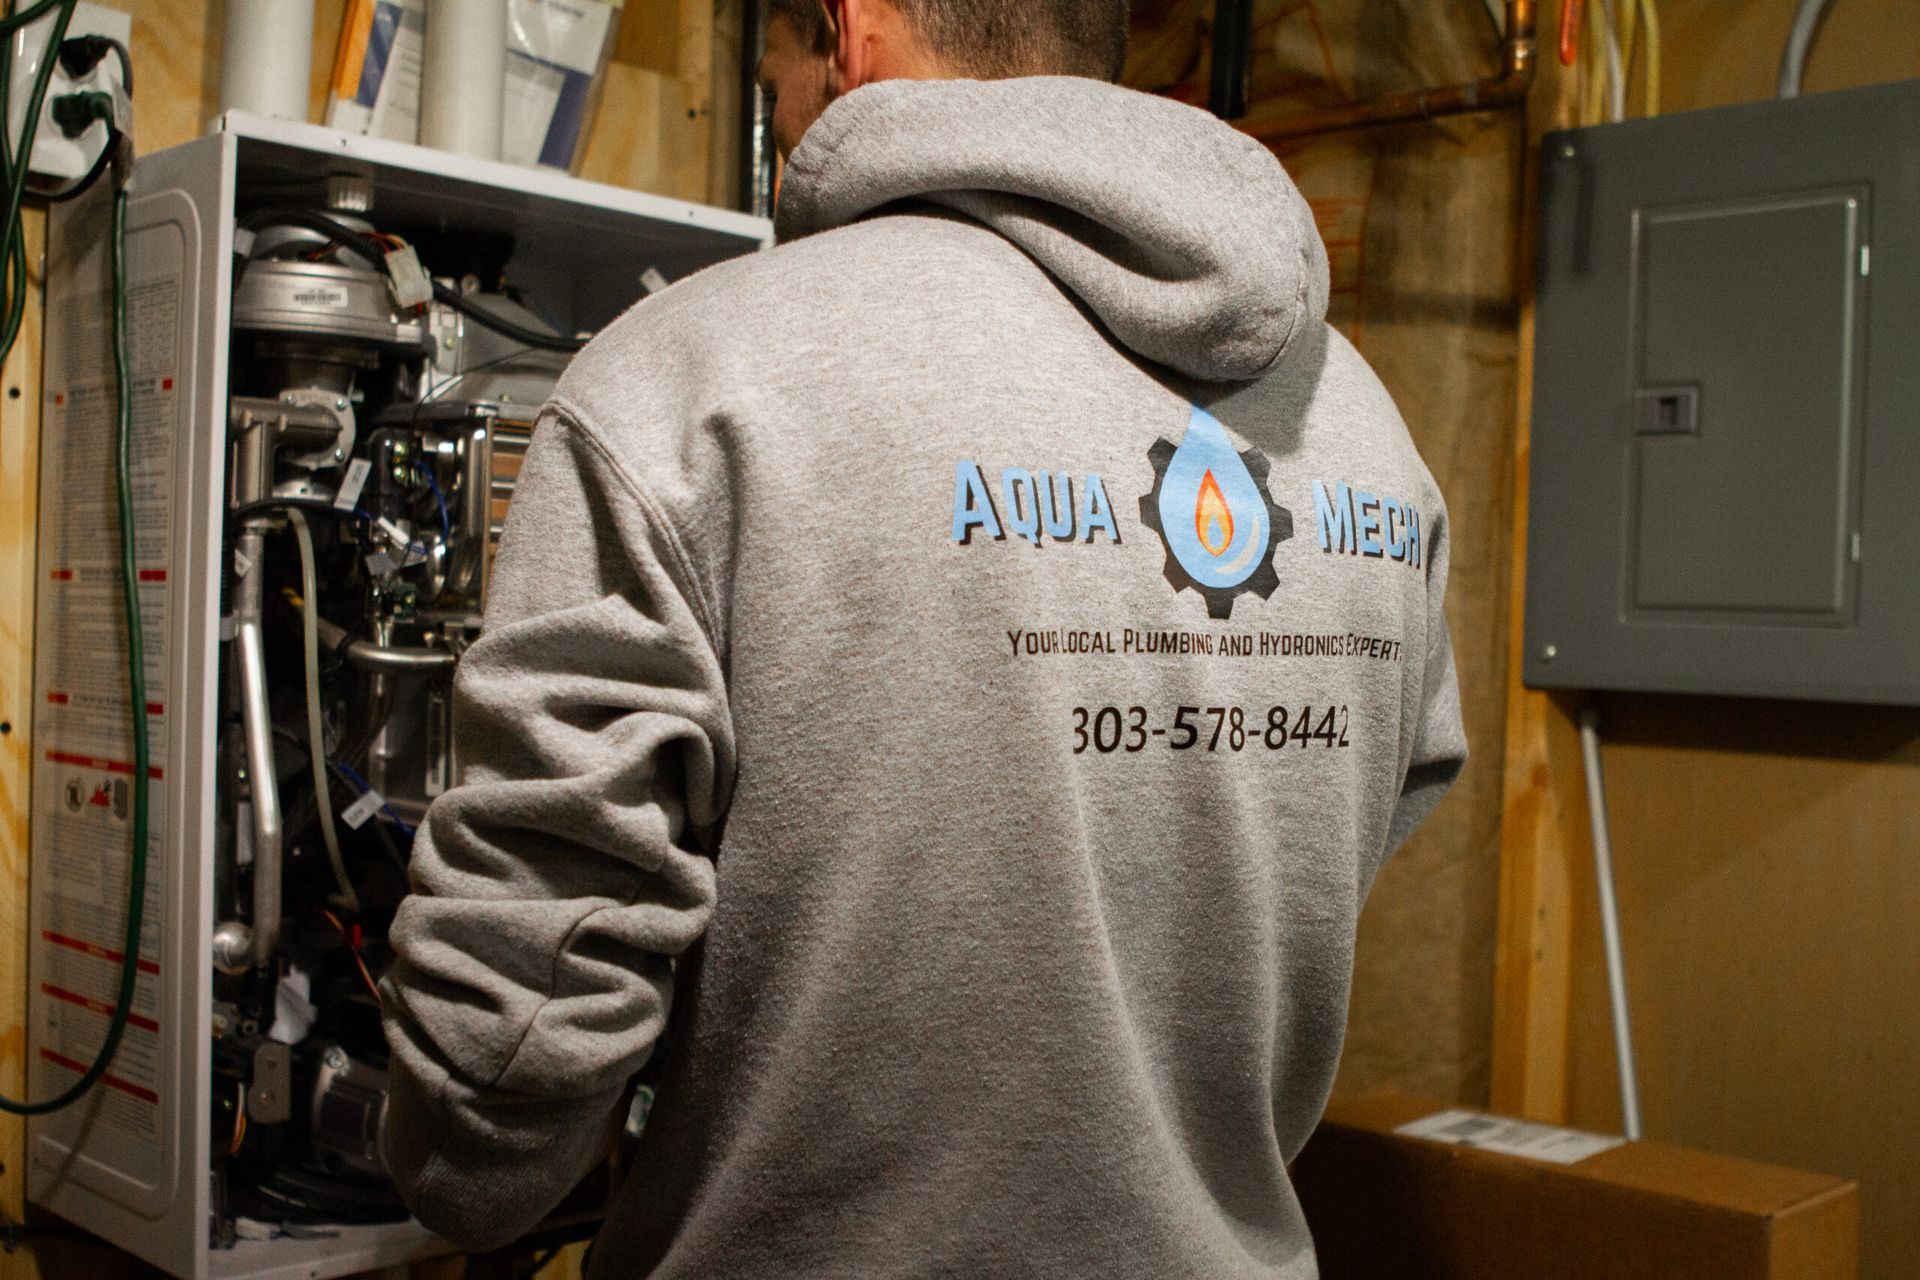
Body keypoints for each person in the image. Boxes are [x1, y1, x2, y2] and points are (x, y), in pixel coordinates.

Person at [379, 0, 1466, 1275]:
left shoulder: (688, 379)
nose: (785, 127)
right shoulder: (1366, 430)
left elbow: (501, 1104)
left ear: (851, 32)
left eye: (778, 87)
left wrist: (447, 1141)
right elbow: (1369, 805)